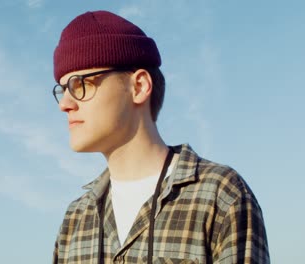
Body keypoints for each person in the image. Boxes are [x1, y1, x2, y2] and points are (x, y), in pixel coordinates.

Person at [51, 10, 269, 264]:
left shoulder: (220, 195)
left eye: (80, 84)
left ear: (139, 86)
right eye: (63, 89)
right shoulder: (76, 218)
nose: (64, 104)